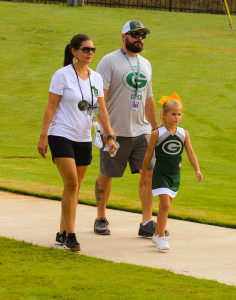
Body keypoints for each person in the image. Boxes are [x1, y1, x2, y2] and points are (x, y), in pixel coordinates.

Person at [38, 34, 116, 251]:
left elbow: (101, 110)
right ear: (74, 51)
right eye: (85, 49)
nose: (90, 53)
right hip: (61, 134)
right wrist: (43, 136)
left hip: (84, 137)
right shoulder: (62, 75)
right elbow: (51, 108)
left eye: (92, 49)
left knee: (74, 187)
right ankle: (71, 236)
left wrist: (109, 135)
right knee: (72, 183)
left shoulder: (96, 78)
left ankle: (61, 232)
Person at [94, 20, 168, 237]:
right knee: (106, 174)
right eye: (135, 34)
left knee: (149, 173)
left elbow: (149, 99)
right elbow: (101, 99)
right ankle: (100, 217)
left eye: (143, 35)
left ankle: (146, 223)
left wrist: (155, 129)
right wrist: (106, 130)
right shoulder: (109, 61)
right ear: (123, 36)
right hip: (114, 132)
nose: (140, 38)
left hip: (141, 132)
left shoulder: (146, 64)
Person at [140, 93, 203, 251]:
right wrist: (143, 177)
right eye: (173, 114)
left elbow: (190, 153)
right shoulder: (157, 134)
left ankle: (156, 233)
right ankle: (161, 237)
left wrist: (197, 169)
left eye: (179, 114)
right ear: (164, 114)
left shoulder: (183, 134)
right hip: (160, 174)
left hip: (175, 176)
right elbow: (148, 155)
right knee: (165, 204)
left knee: (164, 208)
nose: (177, 117)